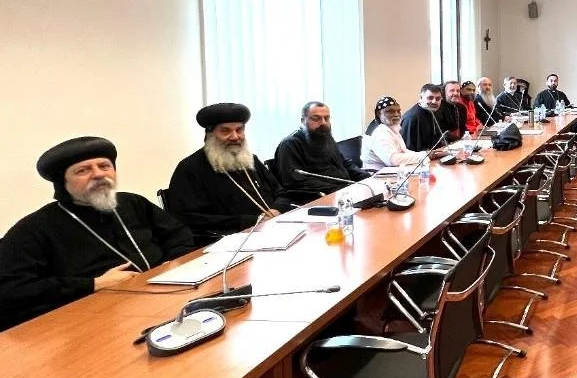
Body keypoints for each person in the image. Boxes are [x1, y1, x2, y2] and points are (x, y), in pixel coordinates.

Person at [0, 137, 193, 331]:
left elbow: (178, 234)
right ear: (62, 182)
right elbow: (11, 291)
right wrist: (92, 285)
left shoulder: (132, 202)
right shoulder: (34, 229)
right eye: (83, 170)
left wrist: (173, 263)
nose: (99, 174)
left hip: (168, 295)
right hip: (94, 322)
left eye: (104, 166)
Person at [166, 102, 291, 246]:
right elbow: (188, 219)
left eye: (239, 130)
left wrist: (277, 209)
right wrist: (248, 221)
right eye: (225, 131)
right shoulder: (190, 168)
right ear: (210, 134)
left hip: (273, 229)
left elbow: (280, 192)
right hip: (230, 241)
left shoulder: (250, 160)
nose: (235, 136)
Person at [274, 101, 368, 202]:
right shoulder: (290, 144)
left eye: (326, 118)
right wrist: (340, 189)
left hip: (345, 192)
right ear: (303, 120)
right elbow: (296, 181)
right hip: (318, 198)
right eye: (316, 118)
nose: (323, 123)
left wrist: (367, 178)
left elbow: (344, 163)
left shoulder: (325, 136)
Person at [361, 96, 430, 170]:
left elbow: (403, 151)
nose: (396, 115)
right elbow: (393, 160)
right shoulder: (379, 132)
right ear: (378, 113)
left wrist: (427, 154)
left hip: (391, 171)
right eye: (390, 111)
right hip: (376, 174)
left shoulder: (390, 127)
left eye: (398, 111)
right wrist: (425, 155)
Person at [400, 84, 457, 153]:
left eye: (438, 99)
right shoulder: (412, 118)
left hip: (435, 154)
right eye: (430, 98)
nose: (434, 101)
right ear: (421, 97)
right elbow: (409, 150)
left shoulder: (433, 111)